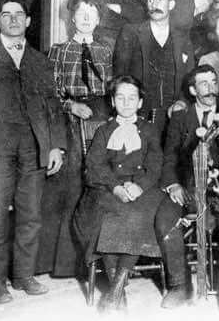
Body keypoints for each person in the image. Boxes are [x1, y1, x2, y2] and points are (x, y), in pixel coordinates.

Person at [0, 0, 66, 304]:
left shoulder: (40, 61)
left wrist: (56, 146)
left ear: (29, 22)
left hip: (33, 149)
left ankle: (23, 275)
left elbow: (53, 106)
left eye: (19, 14)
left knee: (30, 216)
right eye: (7, 14)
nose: (14, 19)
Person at [154, 65, 219, 311]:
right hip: (188, 189)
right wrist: (173, 184)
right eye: (203, 83)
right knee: (164, 220)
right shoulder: (181, 118)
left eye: (213, 82)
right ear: (192, 90)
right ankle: (180, 286)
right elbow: (168, 157)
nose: (211, 89)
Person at [37, 0, 113, 277]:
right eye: (80, 12)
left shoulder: (107, 51)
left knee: (99, 185)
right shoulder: (58, 50)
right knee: (70, 187)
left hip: (102, 120)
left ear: (98, 19)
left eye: (91, 13)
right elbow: (49, 94)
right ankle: (65, 265)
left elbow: (116, 90)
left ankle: (98, 261)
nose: (85, 18)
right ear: (72, 17)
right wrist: (72, 105)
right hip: (70, 124)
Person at [73, 75, 165, 312]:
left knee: (138, 215)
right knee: (107, 216)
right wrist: (115, 187)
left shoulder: (150, 130)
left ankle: (114, 291)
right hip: (106, 189)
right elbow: (94, 167)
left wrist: (139, 186)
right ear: (113, 102)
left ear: (140, 102)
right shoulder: (104, 131)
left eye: (132, 98)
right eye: (120, 98)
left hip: (141, 189)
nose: (126, 103)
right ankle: (118, 292)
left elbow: (155, 165)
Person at [113, 0, 195, 137]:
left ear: (171, 5)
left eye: (159, 0)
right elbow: (119, 76)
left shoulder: (183, 38)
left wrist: (183, 102)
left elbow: (190, 78)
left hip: (174, 118)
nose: (154, 5)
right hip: (140, 117)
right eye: (150, 1)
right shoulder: (130, 33)